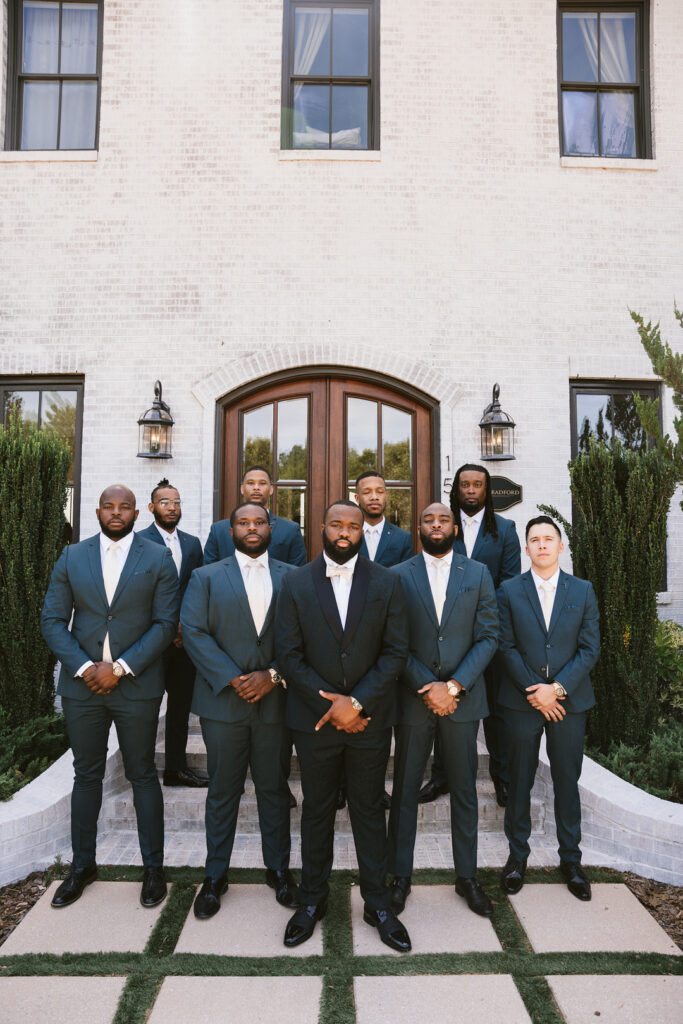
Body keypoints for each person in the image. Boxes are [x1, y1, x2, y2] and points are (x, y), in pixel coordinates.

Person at [275, 500, 411, 952]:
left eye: (353, 525)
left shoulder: (388, 582)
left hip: (369, 720)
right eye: (336, 523)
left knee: (370, 810)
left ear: (362, 530)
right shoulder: (294, 583)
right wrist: (333, 706)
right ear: (320, 527)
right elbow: (289, 655)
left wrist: (355, 703)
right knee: (315, 810)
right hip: (313, 721)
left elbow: (395, 652)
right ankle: (313, 900)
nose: (345, 532)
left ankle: (378, 902)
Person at [41, 485, 179, 909]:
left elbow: (164, 622)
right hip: (82, 687)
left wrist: (118, 668)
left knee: (141, 774)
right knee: (87, 775)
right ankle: (83, 865)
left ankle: (153, 868)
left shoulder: (157, 557)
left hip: (136, 685)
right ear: (97, 511)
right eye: (109, 506)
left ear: (138, 512)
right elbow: (52, 619)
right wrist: (85, 668)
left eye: (124, 507)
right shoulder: (72, 556)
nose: (116, 513)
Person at [180, 503, 298, 918]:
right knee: (222, 790)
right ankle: (215, 876)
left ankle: (279, 871)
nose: (252, 528)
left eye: (259, 522)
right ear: (230, 531)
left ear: (272, 528)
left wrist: (274, 675)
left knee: (274, 788)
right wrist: (234, 678)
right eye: (243, 522)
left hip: (276, 703)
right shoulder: (205, 577)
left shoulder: (293, 577)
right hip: (222, 703)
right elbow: (193, 631)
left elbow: (303, 636)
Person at [388, 503, 499, 917]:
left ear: (455, 527)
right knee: (404, 791)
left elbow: (489, 636)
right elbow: (394, 641)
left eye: (444, 520)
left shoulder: (479, 574)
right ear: (418, 528)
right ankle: (400, 877)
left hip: (463, 700)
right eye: (429, 519)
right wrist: (427, 687)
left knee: (465, 790)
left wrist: (453, 686)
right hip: (414, 700)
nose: (436, 525)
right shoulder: (399, 575)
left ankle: (466, 877)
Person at [497, 515, 600, 901]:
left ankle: (571, 860)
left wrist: (555, 689)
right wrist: (535, 691)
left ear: (560, 546)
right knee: (519, 781)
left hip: (568, 703)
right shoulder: (508, 590)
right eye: (534, 539)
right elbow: (504, 646)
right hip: (522, 702)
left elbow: (590, 648)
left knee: (566, 782)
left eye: (548, 538)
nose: (541, 544)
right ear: (526, 549)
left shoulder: (583, 590)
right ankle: (516, 857)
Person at [419, 463, 521, 808]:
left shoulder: (505, 530)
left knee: (495, 712)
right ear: (456, 490)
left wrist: (481, 612)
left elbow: (508, 584)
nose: (471, 490)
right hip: (448, 636)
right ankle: (441, 776)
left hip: (488, 636)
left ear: (486, 490)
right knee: (442, 710)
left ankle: (502, 779)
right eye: (465, 485)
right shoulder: (444, 527)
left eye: (478, 484)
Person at [139, 479, 207, 788]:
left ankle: (176, 770)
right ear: (152, 507)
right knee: (147, 709)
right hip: (150, 642)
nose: (172, 507)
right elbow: (137, 592)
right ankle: (142, 770)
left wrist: (183, 626)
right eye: (165, 502)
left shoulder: (192, 543)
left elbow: (196, 588)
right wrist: (165, 627)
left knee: (180, 709)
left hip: (182, 643)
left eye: (177, 502)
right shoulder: (138, 542)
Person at [203, 465, 306, 567]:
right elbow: (208, 574)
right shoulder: (218, 530)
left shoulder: (290, 530)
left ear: (271, 489)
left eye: (262, 483)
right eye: (250, 483)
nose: (256, 487)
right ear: (242, 489)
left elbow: (297, 575)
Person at [356, 471, 413, 567]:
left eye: (380, 492)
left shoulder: (403, 538)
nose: (374, 497)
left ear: (386, 496)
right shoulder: (349, 535)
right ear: (357, 498)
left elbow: (405, 577)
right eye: (367, 492)